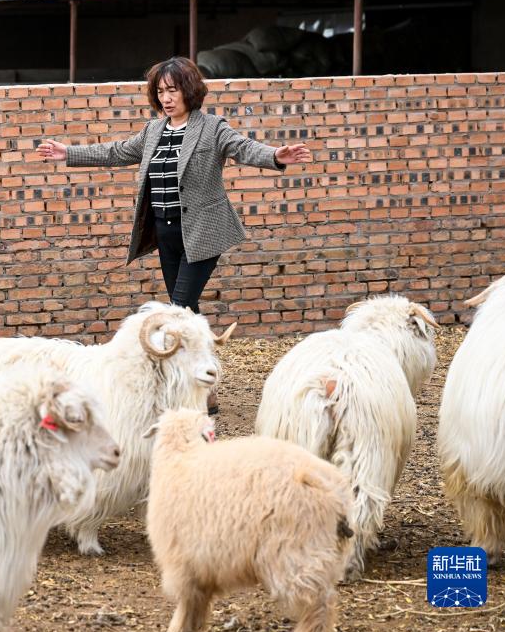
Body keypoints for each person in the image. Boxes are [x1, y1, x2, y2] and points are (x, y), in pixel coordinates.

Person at [37, 56, 312, 414]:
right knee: (189, 311)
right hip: (166, 233)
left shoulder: (212, 128)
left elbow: (243, 148)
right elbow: (116, 151)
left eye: (174, 90)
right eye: (161, 91)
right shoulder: (154, 131)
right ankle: (206, 385)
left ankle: (188, 390)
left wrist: (275, 155)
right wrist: (67, 153)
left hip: (204, 233)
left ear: (189, 90)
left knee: (178, 310)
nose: (167, 98)